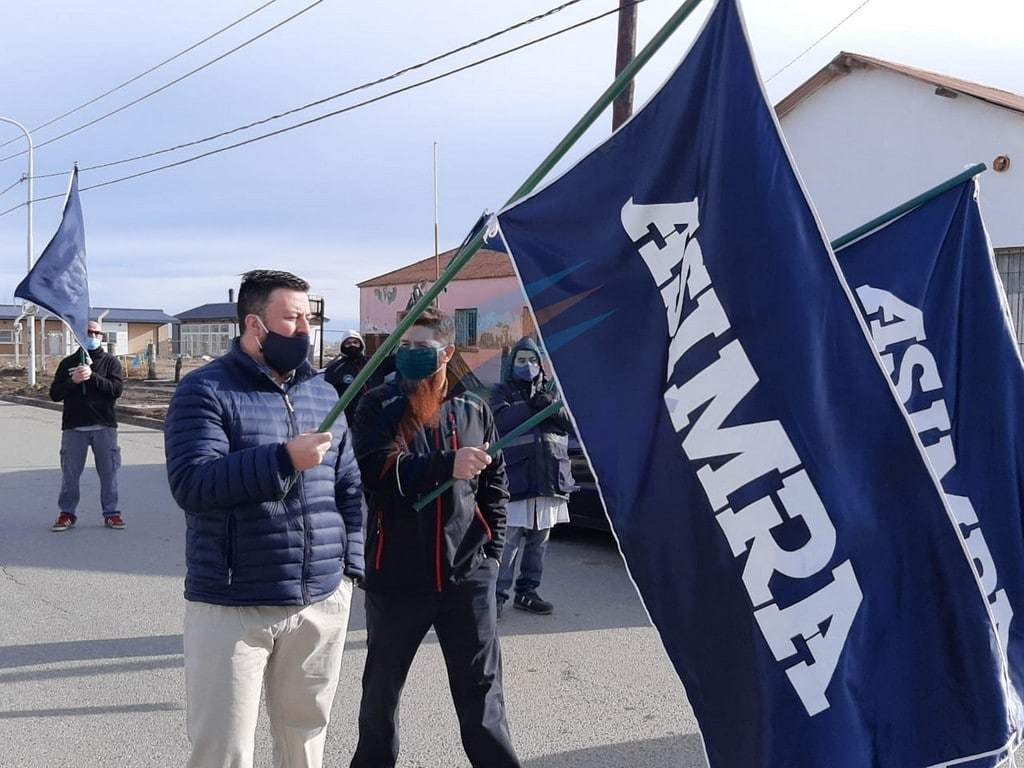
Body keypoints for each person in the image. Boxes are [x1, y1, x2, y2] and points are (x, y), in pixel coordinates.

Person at [164, 270, 364, 768]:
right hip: (235, 603)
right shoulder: (204, 391)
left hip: (320, 598)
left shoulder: (323, 394)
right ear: (255, 324)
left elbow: (351, 486)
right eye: (292, 318)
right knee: (223, 749)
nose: (304, 330)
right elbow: (193, 484)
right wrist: (282, 460)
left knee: (305, 737)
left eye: (308, 318)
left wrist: (347, 571)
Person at [348, 307, 520, 768]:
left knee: (483, 698)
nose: (407, 355)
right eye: (402, 346)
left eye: (419, 348)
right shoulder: (378, 404)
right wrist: (447, 465)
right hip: (396, 577)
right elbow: (374, 472)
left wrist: (493, 554)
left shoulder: (472, 406)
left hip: (467, 577)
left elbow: (495, 485)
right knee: (380, 697)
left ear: (446, 352)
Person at [489, 337, 575, 616]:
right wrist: (532, 406)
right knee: (509, 542)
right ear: (512, 363)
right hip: (517, 477)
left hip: (548, 478)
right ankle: (497, 597)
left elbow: (568, 421)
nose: (528, 365)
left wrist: (549, 403)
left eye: (533, 360)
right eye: (521, 360)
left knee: (539, 541)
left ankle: (527, 592)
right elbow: (501, 421)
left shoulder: (552, 391)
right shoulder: (502, 392)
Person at [49, 319, 125, 532]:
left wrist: (92, 377)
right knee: (70, 474)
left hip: (104, 427)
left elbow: (116, 390)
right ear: (78, 336)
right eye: (88, 333)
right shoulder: (67, 363)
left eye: (96, 333)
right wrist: (72, 381)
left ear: (102, 336)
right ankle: (67, 513)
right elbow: (54, 394)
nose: (92, 336)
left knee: (109, 473)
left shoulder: (110, 362)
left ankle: (111, 513)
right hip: (74, 428)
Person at [324, 330, 390, 422]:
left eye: (356, 342)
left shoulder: (374, 362)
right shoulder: (335, 369)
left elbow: (397, 361)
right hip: (351, 420)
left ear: (361, 344)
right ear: (343, 346)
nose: (352, 345)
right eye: (348, 343)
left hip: (379, 416)